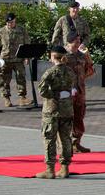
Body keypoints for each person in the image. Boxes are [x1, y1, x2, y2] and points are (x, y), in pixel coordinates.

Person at [35, 45, 76, 179]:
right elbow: (73, 87)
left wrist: (55, 95)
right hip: (67, 109)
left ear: (53, 57)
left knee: (49, 139)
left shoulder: (50, 72)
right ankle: (65, 168)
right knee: (65, 139)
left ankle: (50, 169)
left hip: (52, 110)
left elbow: (42, 90)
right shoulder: (70, 71)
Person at [64, 31, 94, 154]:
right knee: (67, 118)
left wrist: (87, 56)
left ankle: (76, 143)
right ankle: (66, 146)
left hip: (80, 91)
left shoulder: (81, 55)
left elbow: (90, 70)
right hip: (67, 92)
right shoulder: (63, 55)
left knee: (79, 117)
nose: (78, 43)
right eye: (76, 41)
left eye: (79, 41)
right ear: (69, 42)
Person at [0, 12, 30, 107]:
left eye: (12, 22)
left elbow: (26, 44)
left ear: (15, 21)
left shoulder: (22, 30)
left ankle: (22, 98)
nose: (10, 24)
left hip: (18, 59)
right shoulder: (1, 32)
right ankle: (6, 98)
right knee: (5, 80)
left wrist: (26, 57)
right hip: (5, 59)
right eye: (8, 23)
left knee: (21, 77)